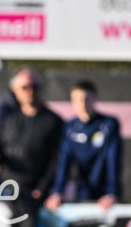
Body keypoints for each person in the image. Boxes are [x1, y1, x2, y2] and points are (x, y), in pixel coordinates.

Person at [0, 68, 62, 227]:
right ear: (15, 91)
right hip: (9, 188)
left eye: (34, 87)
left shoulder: (53, 122)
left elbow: (57, 161)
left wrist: (41, 189)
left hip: (35, 190)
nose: (30, 91)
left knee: (28, 223)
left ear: (41, 89)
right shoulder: (7, 121)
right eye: (25, 87)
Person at [45, 80, 122, 211]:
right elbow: (64, 162)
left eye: (86, 98)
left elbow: (113, 161)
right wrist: (58, 192)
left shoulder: (108, 125)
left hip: (106, 193)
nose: (82, 104)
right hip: (83, 191)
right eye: (77, 99)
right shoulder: (70, 128)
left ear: (95, 99)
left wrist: (112, 193)